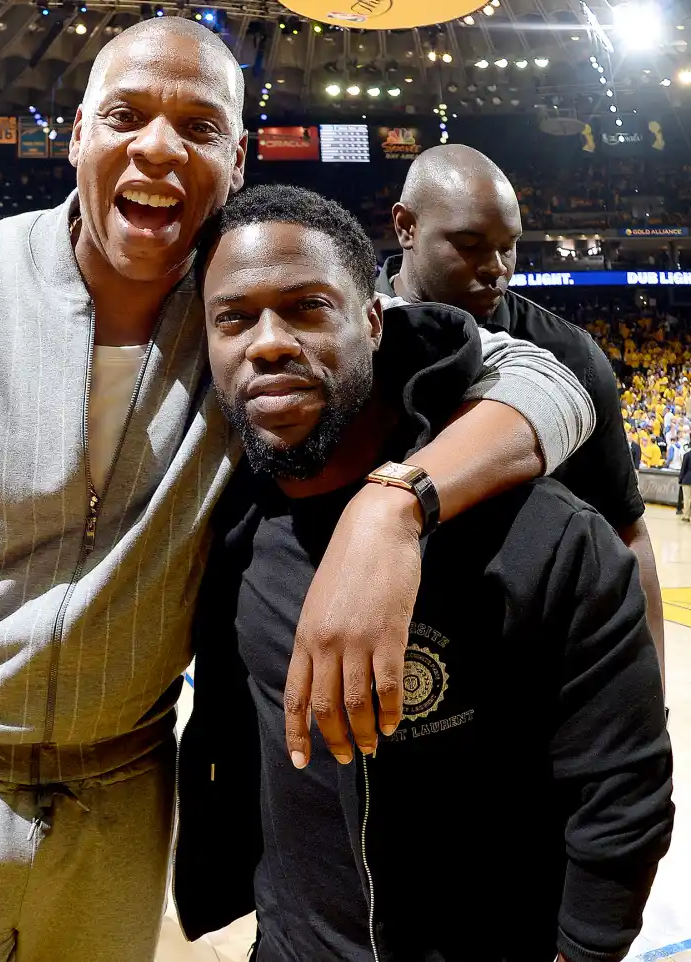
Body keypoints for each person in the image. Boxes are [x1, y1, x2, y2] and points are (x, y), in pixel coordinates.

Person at [0, 19, 594, 961]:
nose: (158, 147)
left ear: (236, 159)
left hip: (122, 800)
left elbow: (549, 384)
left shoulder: (253, 315)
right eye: (126, 115)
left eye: (199, 125)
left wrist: (396, 506)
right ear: (78, 135)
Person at [174, 185, 673, 962]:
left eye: (308, 308)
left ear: (374, 321)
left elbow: (622, 795)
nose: (267, 341)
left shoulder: (542, 535)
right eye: (233, 317)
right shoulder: (225, 528)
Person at [376, 145, 667, 682]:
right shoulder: (346, 337)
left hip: (527, 662)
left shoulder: (573, 358)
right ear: (406, 226)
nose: (495, 269)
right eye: (469, 245)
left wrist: (655, 697)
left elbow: (628, 533)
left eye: (509, 248)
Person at [680, 445, 691, 522]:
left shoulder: (687, 455)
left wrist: (680, 479)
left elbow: (683, 468)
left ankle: (686, 515)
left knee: (687, 498)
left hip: (687, 479)